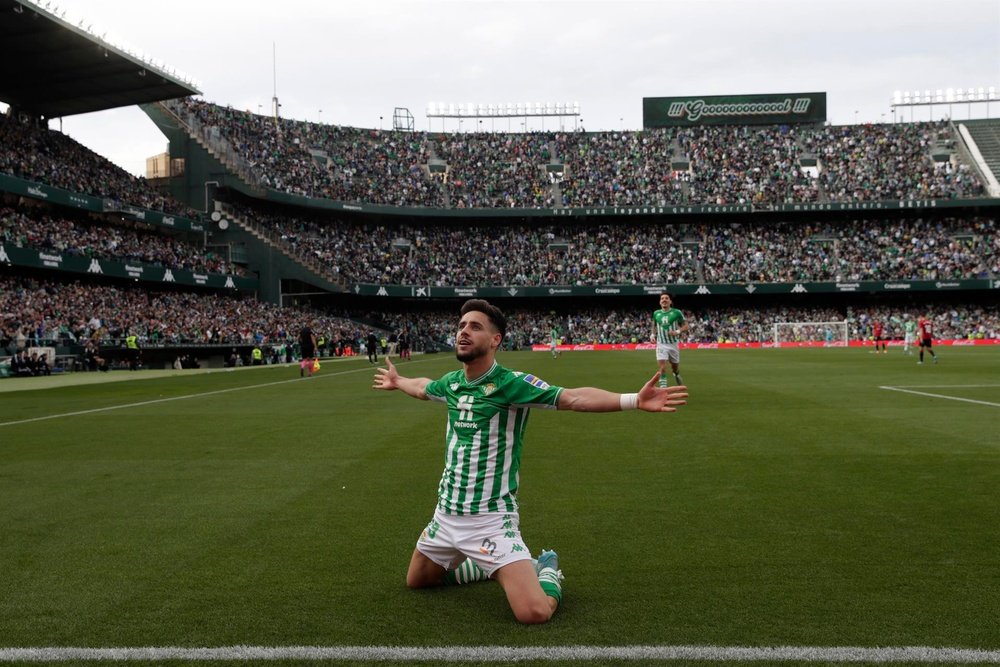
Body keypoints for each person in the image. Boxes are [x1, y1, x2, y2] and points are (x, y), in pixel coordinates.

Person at [372, 299, 688, 624]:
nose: (464, 332)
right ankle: (486, 566)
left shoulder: (512, 384)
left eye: (475, 326)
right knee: (418, 581)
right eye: (462, 326)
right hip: (446, 514)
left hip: (489, 520)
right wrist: (398, 382)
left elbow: (573, 398)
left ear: (496, 340)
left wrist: (633, 400)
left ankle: (545, 567)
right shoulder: (452, 383)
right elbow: (424, 388)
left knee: (533, 612)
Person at [652, 293, 688, 387]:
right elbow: (654, 325)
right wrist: (652, 334)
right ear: (660, 302)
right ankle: (663, 391)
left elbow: (686, 326)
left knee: (675, 367)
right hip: (661, 344)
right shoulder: (656, 313)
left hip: (673, 344)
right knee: (662, 368)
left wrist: (677, 331)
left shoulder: (677, 312)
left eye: (666, 298)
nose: (664, 300)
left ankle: (676, 374)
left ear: (670, 301)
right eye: (662, 298)